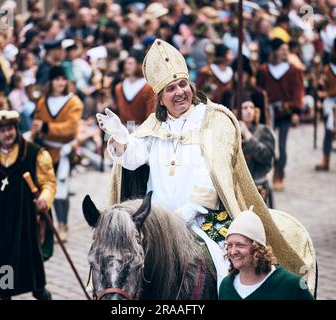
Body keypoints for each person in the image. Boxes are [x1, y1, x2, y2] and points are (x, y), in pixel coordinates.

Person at [97, 39, 315, 291]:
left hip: (202, 219)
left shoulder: (213, 120)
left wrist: (188, 212)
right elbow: (133, 159)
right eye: (170, 89)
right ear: (161, 98)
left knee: (229, 269)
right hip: (156, 223)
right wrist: (122, 137)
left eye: (182, 85)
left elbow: (214, 174)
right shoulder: (153, 126)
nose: (179, 92)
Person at [0, 109, 56, 300]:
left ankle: (41, 293)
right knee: (5, 277)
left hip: (26, 222)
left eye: (10, 128)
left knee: (34, 276)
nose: (7, 133)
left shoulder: (35, 154)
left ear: (16, 128)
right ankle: (6, 295)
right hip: (0, 226)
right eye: (1, 130)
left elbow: (48, 183)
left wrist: (45, 197)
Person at [32, 65, 84, 241]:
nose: (60, 83)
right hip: (44, 150)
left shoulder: (73, 102)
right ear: (51, 81)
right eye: (57, 79)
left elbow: (71, 128)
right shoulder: (42, 102)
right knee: (44, 189)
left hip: (63, 150)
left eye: (63, 79)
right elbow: (36, 125)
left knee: (61, 190)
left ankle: (63, 225)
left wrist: (47, 127)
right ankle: (46, 227)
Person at [219, 208, 314, 300]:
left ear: (257, 248)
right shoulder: (226, 286)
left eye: (240, 245)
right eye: (230, 246)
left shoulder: (290, 285)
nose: (233, 251)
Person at [257, 38, 304, 191]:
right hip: (268, 112)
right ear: (275, 51)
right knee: (269, 143)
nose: (286, 52)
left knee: (282, 146)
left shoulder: (293, 70)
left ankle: (279, 175)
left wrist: (296, 111)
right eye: (282, 49)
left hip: (285, 113)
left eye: (286, 49)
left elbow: (298, 91)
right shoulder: (264, 70)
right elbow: (260, 89)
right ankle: (266, 172)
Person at [315, 36, 336, 171]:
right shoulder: (328, 69)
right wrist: (321, 86)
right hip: (331, 103)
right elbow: (322, 87)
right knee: (328, 132)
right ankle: (325, 159)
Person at [239, 100, 275, 207]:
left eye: (251, 107)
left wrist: (247, 134)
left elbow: (267, 156)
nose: (249, 111)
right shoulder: (230, 132)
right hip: (239, 189)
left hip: (259, 186)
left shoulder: (264, 131)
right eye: (245, 108)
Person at [113, 51, 156, 128]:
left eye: (130, 64)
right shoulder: (119, 87)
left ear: (139, 65)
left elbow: (151, 113)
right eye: (126, 63)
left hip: (141, 128)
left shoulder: (148, 87)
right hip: (123, 128)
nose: (127, 66)